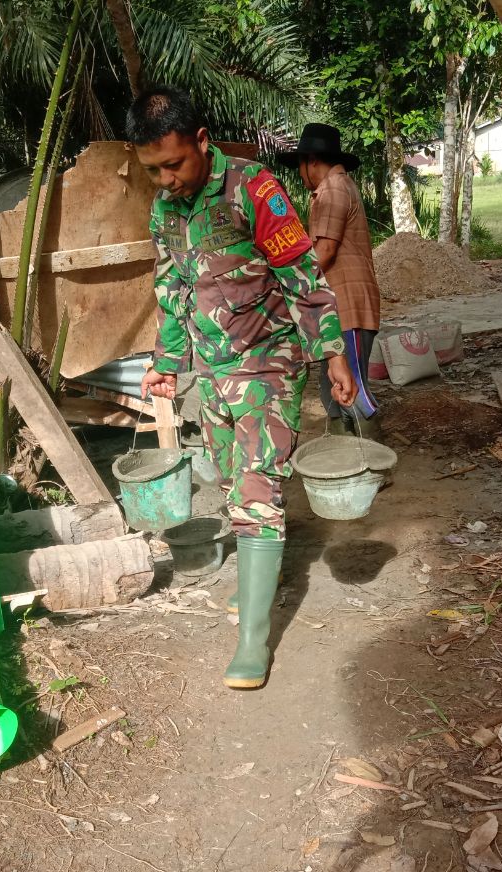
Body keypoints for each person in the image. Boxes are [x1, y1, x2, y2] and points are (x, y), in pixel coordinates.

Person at [129, 86, 358, 690]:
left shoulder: (253, 189)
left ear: (202, 141)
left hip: (267, 362)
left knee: (256, 489)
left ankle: (253, 641)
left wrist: (332, 351)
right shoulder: (165, 210)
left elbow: (300, 272)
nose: (167, 179)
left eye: (174, 164)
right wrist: (166, 363)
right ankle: (263, 577)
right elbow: (171, 290)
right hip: (213, 371)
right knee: (231, 482)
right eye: (153, 170)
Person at [277, 123, 381, 435]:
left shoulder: (333, 188)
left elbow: (324, 251)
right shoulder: (334, 187)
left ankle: (374, 454)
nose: (300, 175)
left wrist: (287, 285)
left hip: (347, 305)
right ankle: (347, 451)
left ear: (311, 161)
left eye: (300, 166)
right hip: (338, 307)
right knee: (332, 387)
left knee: (351, 387)